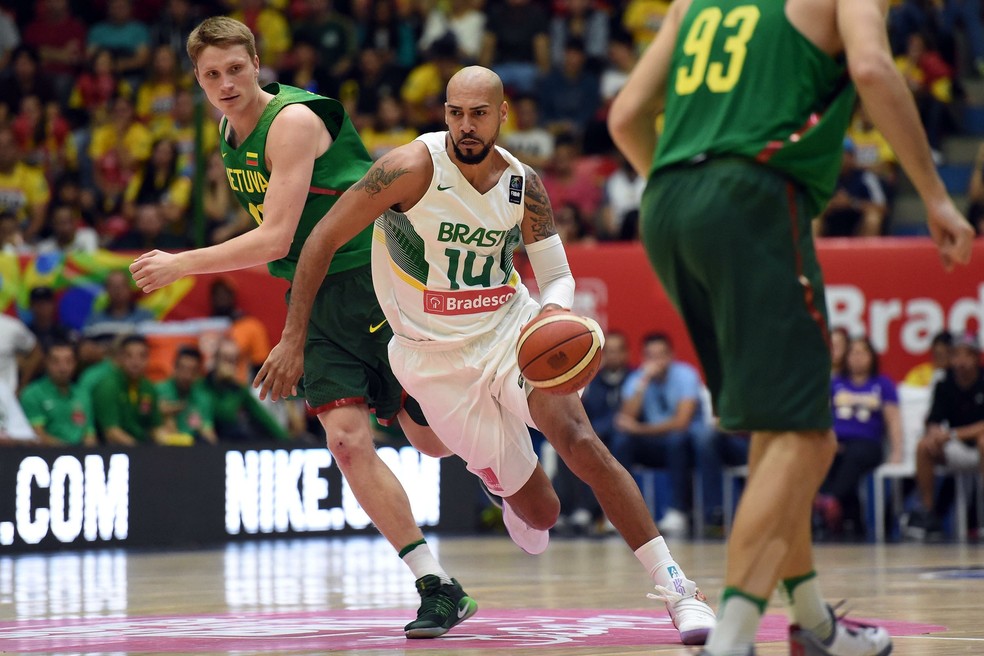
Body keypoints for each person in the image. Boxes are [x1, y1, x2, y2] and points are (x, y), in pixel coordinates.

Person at [254, 65, 717, 646]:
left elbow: (556, 276)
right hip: (433, 361)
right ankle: (498, 483)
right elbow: (320, 240)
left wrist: (553, 313)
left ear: (503, 116)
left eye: (478, 114)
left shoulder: (524, 184)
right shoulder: (406, 168)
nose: (464, 126)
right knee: (542, 515)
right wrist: (294, 337)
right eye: (454, 112)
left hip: (509, 331)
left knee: (580, 439)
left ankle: (679, 590)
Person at [607, 0, 975, 653]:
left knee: (778, 435)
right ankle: (735, 638)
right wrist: (937, 196)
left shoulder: (693, 3)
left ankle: (814, 625)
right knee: (808, 439)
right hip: (751, 193)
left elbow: (625, 117)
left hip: (665, 201)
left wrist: (692, 198)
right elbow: (870, 65)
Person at [128, 16, 476, 639]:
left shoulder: (289, 122)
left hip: (377, 274)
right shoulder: (225, 133)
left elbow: (277, 235)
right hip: (314, 293)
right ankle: (437, 584)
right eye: (212, 75)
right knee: (344, 442)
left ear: (257, 63)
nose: (226, 83)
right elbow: (285, 246)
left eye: (236, 69)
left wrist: (183, 263)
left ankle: (498, 439)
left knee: (434, 445)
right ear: (198, 81)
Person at [611, 332, 711, 537]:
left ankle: (678, 511)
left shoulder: (685, 375)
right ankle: (623, 511)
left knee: (676, 440)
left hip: (682, 443)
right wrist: (643, 382)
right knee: (621, 441)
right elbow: (624, 420)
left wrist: (639, 429)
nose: (657, 360)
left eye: (661, 354)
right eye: (651, 355)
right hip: (654, 443)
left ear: (671, 355)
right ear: (644, 358)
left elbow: (681, 423)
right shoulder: (638, 379)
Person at [816, 337, 903, 538]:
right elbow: (822, 416)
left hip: (869, 444)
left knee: (853, 456)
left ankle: (830, 501)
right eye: (853, 352)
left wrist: (897, 451)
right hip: (837, 442)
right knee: (831, 457)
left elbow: (893, 420)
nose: (857, 357)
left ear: (872, 357)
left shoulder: (882, 384)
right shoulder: (835, 383)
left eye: (863, 352)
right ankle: (850, 521)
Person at [905, 333, 984, 540]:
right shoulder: (944, 384)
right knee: (924, 446)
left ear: (976, 357)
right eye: (956, 355)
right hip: (956, 449)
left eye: (967, 355)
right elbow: (934, 418)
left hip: (978, 447)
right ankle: (929, 514)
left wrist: (953, 434)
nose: (961, 361)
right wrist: (933, 434)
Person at [90, 334, 167, 446]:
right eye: (129, 356)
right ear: (120, 358)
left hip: (142, 447)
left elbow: (155, 427)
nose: (135, 362)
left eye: (142, 356)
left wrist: (169, 443)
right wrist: (139, 451)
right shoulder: (108, 386)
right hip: (112, 451)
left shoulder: (148, 387)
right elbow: (111, 432)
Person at [19, 339, 96, 447]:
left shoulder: (82, 393)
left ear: (75, 363)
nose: (63, 368)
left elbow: (89, 433)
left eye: (68, 361)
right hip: (47, 456)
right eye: (56, 362)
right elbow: (37, 435)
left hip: (81, 456)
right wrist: (71, 453)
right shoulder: (32, 394)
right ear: (46, 363)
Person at [157, 345, 216, 444]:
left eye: (192, 370)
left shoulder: (204, 398)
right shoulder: (158, 391)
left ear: (198, 373)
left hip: (193, 449)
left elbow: (209, 432)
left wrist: (201, 428)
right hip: (163, 448)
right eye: (183, 368)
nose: (187, 375)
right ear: (174, 367)